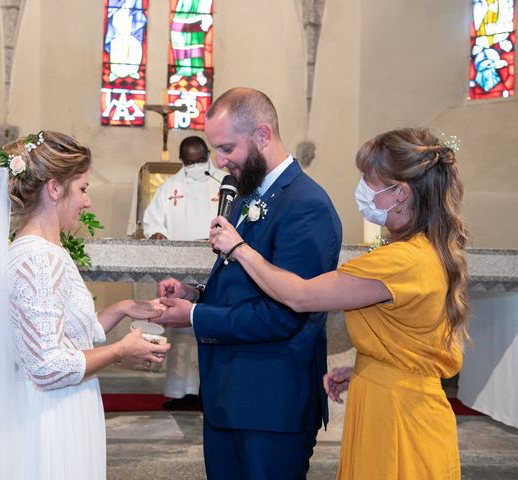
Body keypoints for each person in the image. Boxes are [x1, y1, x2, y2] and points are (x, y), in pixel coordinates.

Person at [209, 127, 469, 479]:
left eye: (370, 180)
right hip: (393, 395)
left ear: (401, 192)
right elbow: (410, 336)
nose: (363, 189)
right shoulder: (423, 250)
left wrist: (240, 249)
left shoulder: (402, 261)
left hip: (397, 417)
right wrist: (367, 369)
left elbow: (299, 296)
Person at [0, 131, 170, 480]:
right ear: (54, 188)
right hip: (50, 418)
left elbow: (64, 334)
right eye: (83, 189)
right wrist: (120, 351)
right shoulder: (36, 261)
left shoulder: (46, 252)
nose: (87, 202)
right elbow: (47, 365)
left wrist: (123, 308)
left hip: (63, 405)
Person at [152, 87, 342, 479]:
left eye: (226, 148)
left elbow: (286, 313)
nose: (219, 162)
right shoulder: (244, 197)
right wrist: (197, 294)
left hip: (271, 404)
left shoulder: (307, 205)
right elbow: (246, 287)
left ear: (262, 135)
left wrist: (196, 316)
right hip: (229, 396)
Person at [143, 135, 226, 409]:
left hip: (216, 268)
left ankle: (210, 392)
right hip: (180, 271)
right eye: (189, 161)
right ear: (182, 160)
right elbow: (153, 219)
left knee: (213, 325)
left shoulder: (224, 183)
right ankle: (182, 393)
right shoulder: (170, 187)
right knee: (181, 331)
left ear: (207, 155)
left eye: (200, 160)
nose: (195, 165)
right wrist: (156, 232)